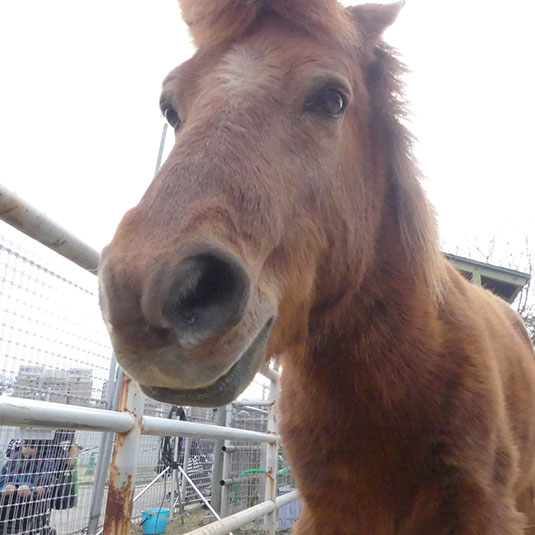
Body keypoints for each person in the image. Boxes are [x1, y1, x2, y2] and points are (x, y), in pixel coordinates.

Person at [0, 439, 55, 534]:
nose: (27, 449)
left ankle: (23, 526)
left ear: (38, 450)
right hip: (11, 483)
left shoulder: (43, 461)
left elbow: (46, 476)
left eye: (32, 447)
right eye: (25, 446)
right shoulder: (14, 459)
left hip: (31, 485)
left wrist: (38, 486)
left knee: (23, 490)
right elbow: (4, 474)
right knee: (8, 489)